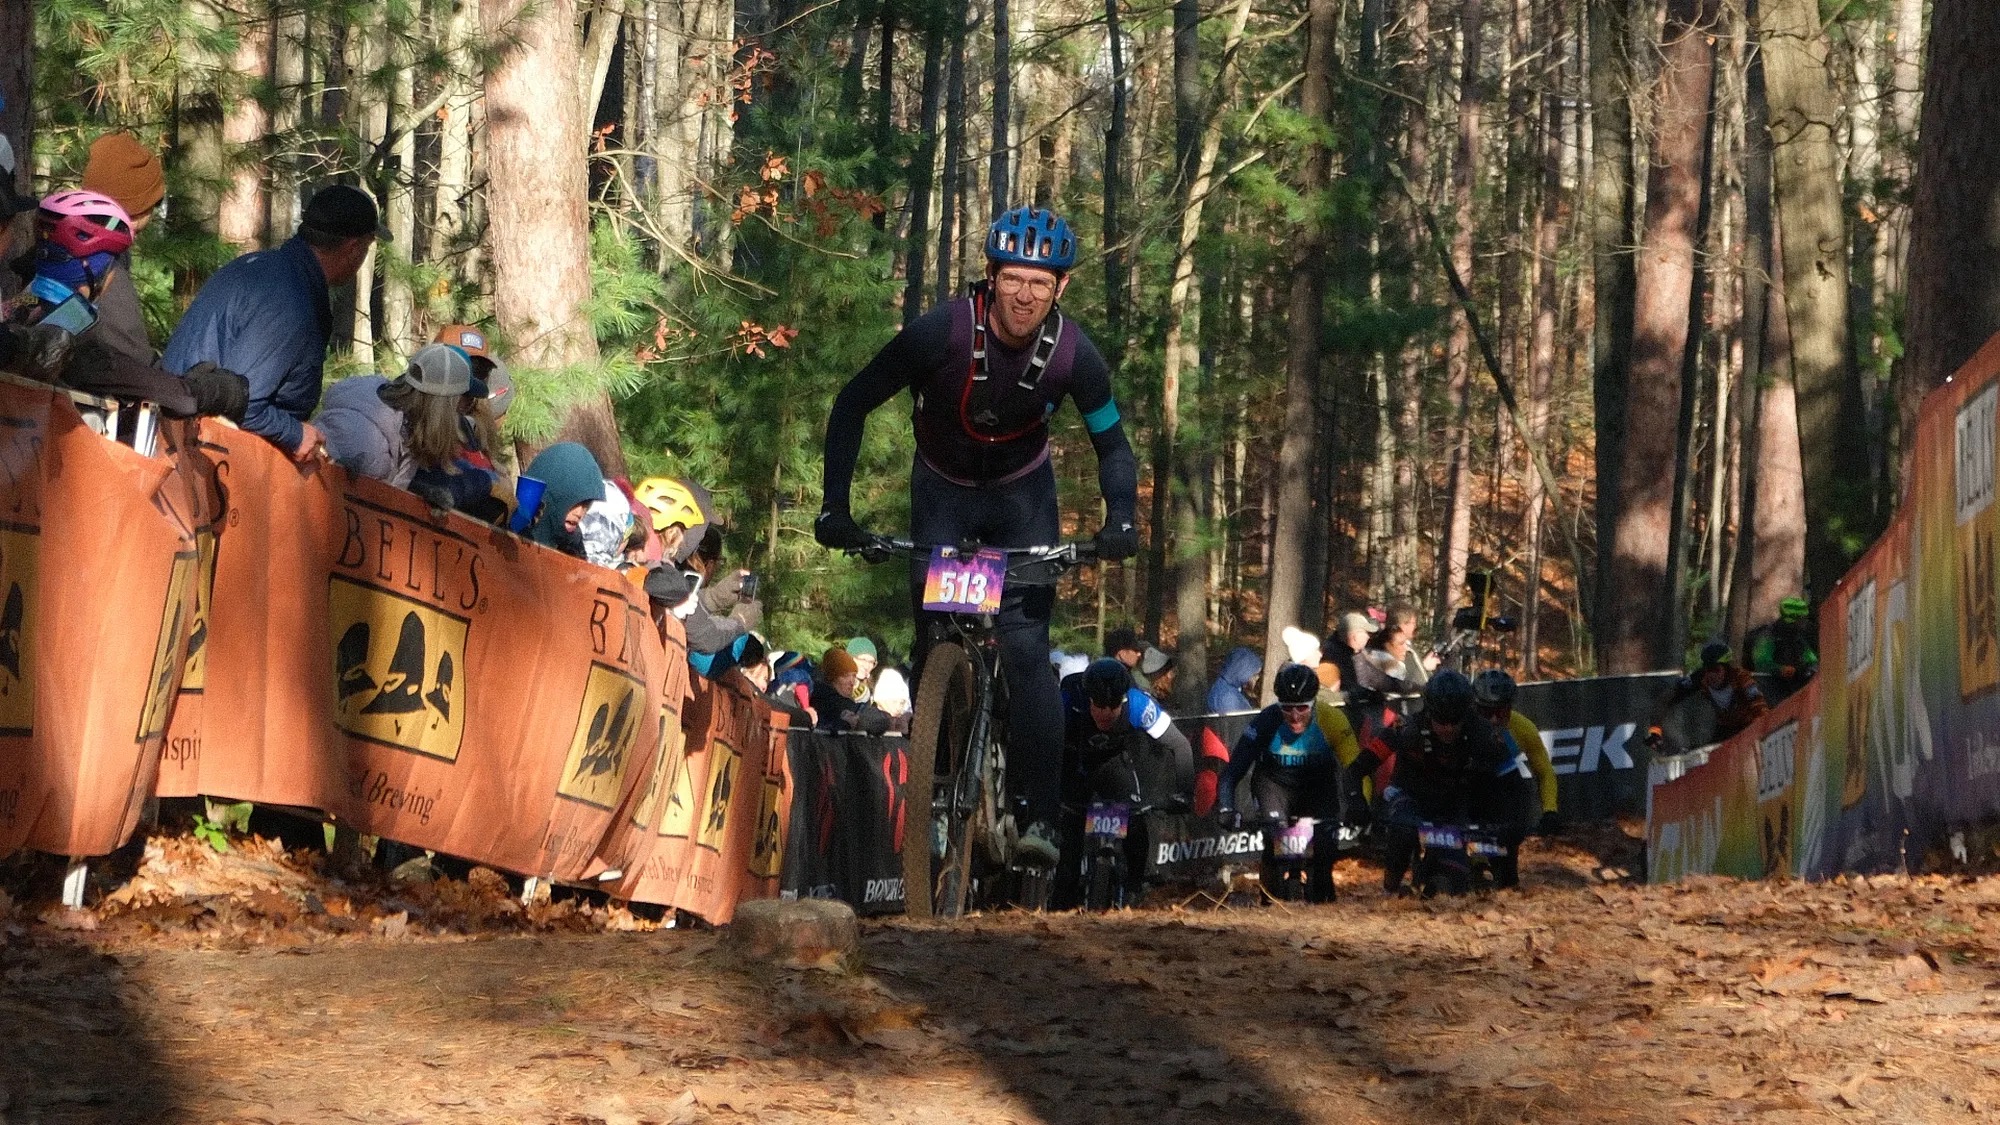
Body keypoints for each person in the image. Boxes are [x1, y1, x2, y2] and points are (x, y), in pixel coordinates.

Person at [814, 204, 1140, 869]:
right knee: (933, 637)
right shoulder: (943, 332)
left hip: (1024, 501)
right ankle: (937, 782)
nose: (1024, 296)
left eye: (1039, 283)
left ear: (1061, 287)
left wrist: (1123, 519)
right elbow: (853, 402)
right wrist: (834, 507)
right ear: (990, 277)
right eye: (1013, 279)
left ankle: (1038, 816)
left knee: (1026, 654)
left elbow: (1112, 444)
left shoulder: (1075, 355)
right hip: (943, 495)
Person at [163, 184, 385, 462]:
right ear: (354, 248)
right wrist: (295, 434)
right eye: (367, 247)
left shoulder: (262, 266)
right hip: (193, 457)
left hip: (175, 437)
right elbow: (243, 404)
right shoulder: (291, 301)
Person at [8, 191, 245, 419]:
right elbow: (180, 399)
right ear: (92, 270)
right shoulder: (77, 336)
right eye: (114, 267)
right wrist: (220, 391)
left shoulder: (18, 307)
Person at [1346, 670, 1518, 896]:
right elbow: (1356, 769)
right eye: (1441, 720)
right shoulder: (1406, 727)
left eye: (1455, 721)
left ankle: (1443, 874)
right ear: (1428, 712)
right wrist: (1356, 801)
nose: (1448, 728)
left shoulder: (1483, 732)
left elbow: (1513, 783)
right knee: (1403, 829)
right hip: (1410, 794)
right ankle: (1391, 887)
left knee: (1456, 885)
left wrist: (1514, 823)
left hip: (1452, 803)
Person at [1214, 663, 1363, 904]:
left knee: (1325, 849)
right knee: (1275, 838)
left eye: (1302, 708)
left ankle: (1323, 897)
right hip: (1274, 785)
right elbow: (1233, 771)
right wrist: (1225, 806)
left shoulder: (1332, 719)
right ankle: (1269, 897)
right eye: (1287, 708)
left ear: (1313, 704)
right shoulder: (1266, 721)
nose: (1294, 716)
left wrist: (1359, 801)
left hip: (1318, 786)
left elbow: (1355, 767)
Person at [316, 343, 500, 514]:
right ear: (445, 406)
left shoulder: (404, 427)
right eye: (464, 400)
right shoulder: (367, 440)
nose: (465, 411)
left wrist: (484, 481)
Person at [77, 132, 164, 368]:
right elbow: (134, 363)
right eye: (155, 202)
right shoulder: (105, 268)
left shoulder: (61, 245)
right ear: (141, 207)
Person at [1472, 669, 1559, 837]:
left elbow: (1545, 772)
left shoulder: (1524, 728)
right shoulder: (1466, 725)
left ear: (1510, 708)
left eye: (1501, 712)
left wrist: (1550, 810)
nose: (1494, 720)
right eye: (1487, 713)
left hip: (1503, 789)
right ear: (1475, 708)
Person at [1648, 640, 1768, 748]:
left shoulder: (1742, 678)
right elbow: (1665, 699)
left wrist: (1761, 732)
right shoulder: (1699, 678)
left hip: (1748, 726)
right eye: (1708, 670)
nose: (1711, 675)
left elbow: (1760, 708)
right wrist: (1655, 731)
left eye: (1716, 670)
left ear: (1727, 669)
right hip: (1724, 728)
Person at [522, 442, 605, 557]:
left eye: (586, 504)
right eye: (576, 501)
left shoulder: (573, 548)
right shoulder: (507, 523)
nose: (579, 513)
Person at [1746, 596, 1818, 702]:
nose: (1804, 622)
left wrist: (1810, 667)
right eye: (1801, 618)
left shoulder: (1799, 636)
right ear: (1792, 618)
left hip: (1797, 685)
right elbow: (1761, 661)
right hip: (1772, 686)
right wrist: (1780, 669)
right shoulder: (1769, 635)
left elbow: (1810, 658)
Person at [811, 646, 890, 735]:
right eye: (845, 676)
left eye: (854, 676)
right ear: (832, 677)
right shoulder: (824, 702)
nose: (852, 682)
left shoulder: (854, 703)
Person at [1207, 646, 1262, 714]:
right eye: (1254, 674)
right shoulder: (1227, 697)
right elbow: (1238, 719)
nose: (1257, 677)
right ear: (1243, 672)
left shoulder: (1226, 686)